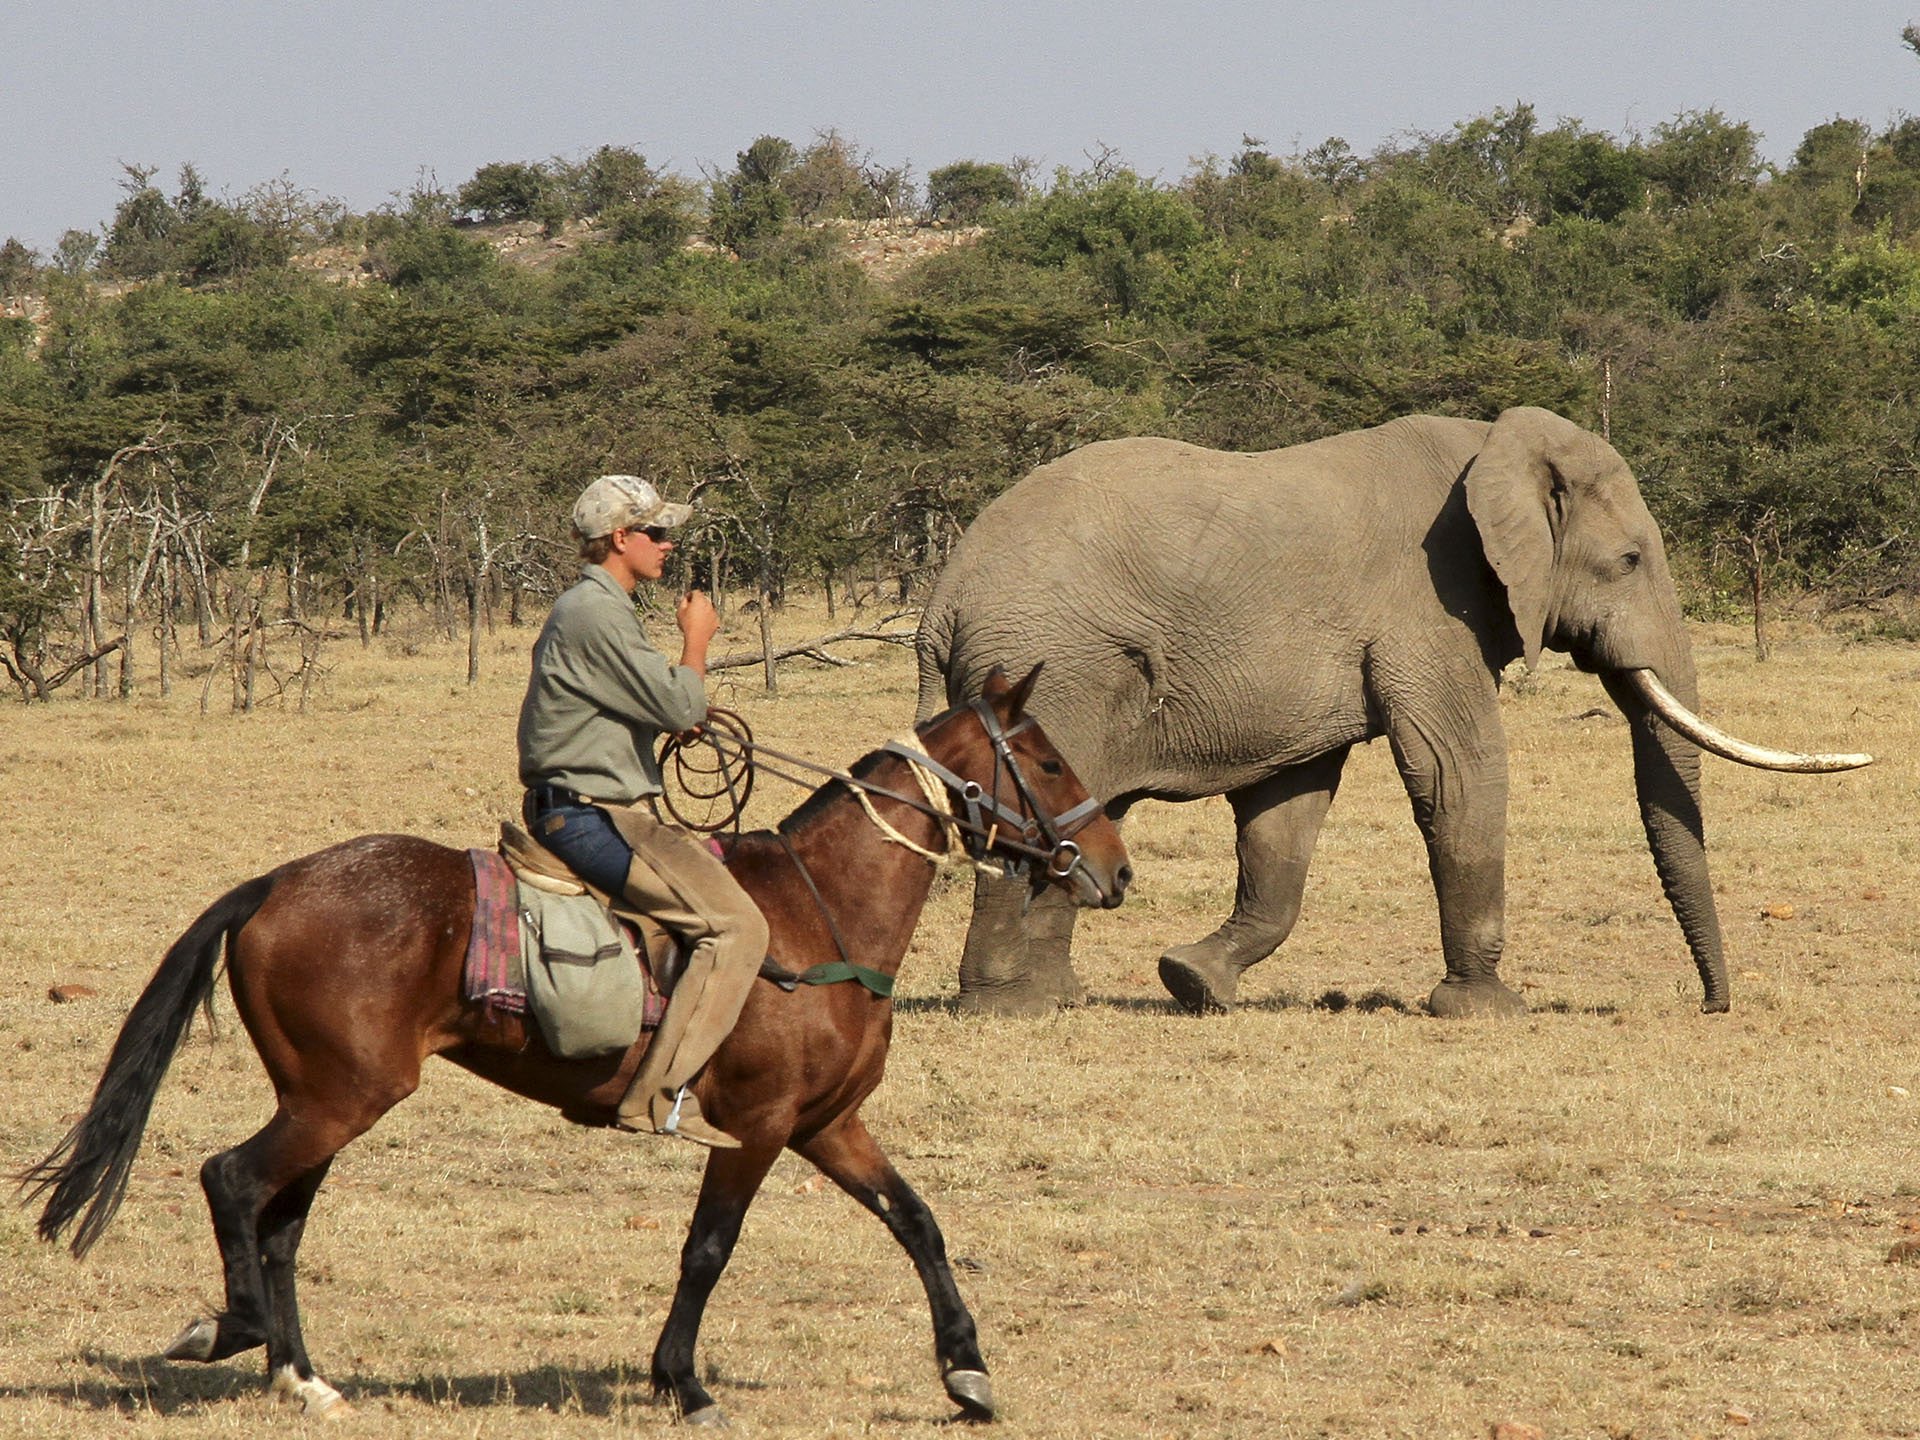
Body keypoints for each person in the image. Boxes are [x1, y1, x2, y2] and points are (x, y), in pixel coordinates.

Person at [517, 474, 770, 1149]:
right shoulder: (595, 611)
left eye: (667, 533)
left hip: (593, 803)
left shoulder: (600, 607)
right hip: (596, 813)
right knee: (738, 928)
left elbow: (651, 707)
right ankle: (662, 1098)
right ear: (619, 539)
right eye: (655, 533)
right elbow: (680, 704)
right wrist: (697, 638)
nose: (667, 545)